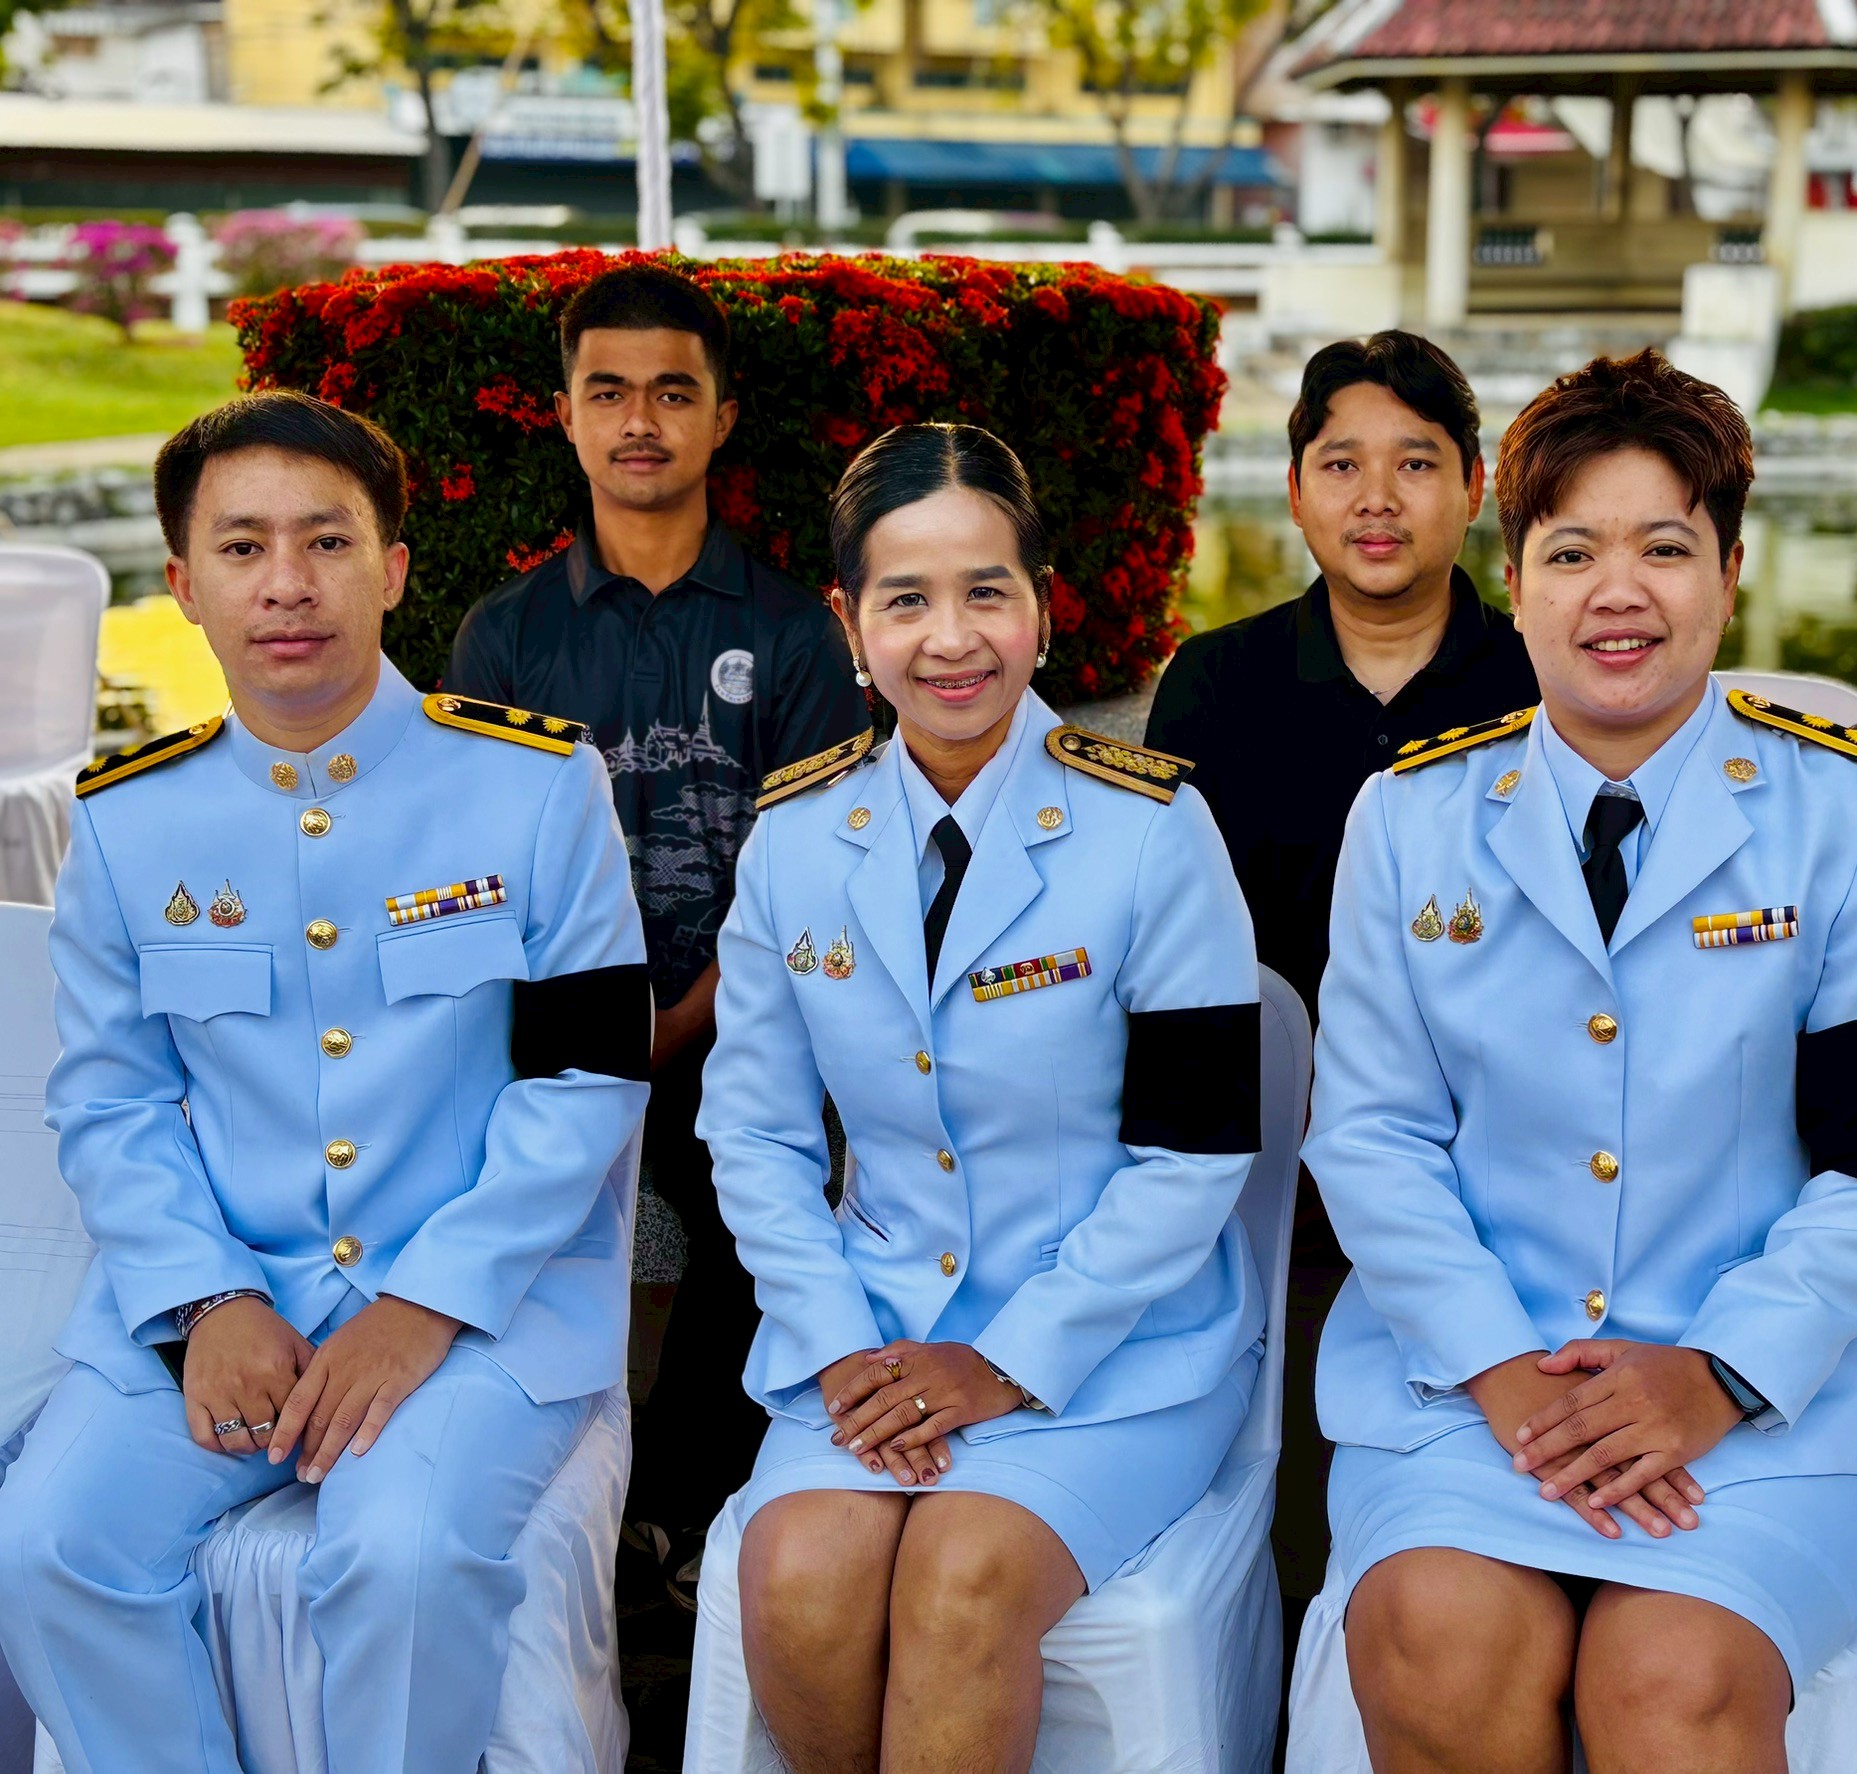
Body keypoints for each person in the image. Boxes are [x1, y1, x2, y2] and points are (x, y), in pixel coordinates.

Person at [1304, 349, 1857, 1773]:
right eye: (1573, 552)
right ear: (1514, 581)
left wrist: (1717, 1375)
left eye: (1665, 548)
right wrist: (1502, 1370)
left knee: (1669, 1676)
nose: (1619, 592)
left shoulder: (1856, 812)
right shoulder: (1409, 817)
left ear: (1731, 573)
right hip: (1471, 1387)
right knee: (1435, 1637)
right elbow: (1370, 1137)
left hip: (1773, 1397)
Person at [0, 392, 650, 1773]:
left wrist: (426, 1304)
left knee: (401, 1560)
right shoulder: (127, 822)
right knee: (49, 1545)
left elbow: (586, 1079)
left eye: (327, 541)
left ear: (394, 567)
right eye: (241, 547)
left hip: (480, 1309)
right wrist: (208, 1298)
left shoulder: (538, 788)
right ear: (183, 584)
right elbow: (110, 1101)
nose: (286, 583)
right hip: (229, 1298)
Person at [703, 422, 1265, 1769]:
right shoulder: (795, 839)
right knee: (798, 1575)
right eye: (906, 599)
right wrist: (840, 1343)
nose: (951, 639)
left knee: (961, 1579)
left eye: (986, 593)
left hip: (1112, 1350)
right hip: (872, 1338)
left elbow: (1194, 1151)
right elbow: (755, 1133)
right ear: (850, 622)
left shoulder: (1153, 828)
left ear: (1044, 609)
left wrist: (1009, 1360)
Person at [444, 262, 868, 1593]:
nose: (641, 420)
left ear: (720, 418)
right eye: (609, 391)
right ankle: (514, 1484)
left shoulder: (794, 635)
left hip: (747, 1028)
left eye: (673, 393)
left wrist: (677, 1025)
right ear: (565, 415)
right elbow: (482, 874)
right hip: (551, 1032)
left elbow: (814, 880)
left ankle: (676, 1512)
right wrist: (591, 1035)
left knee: (766, 1184)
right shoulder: (505, 637)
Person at [1142, 330, 1536, 1605]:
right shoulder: (1218, 683)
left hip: (1505, 1153)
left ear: (1474, 488)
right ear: (1296, 489)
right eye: (1342, 464)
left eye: (1415, 463)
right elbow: (1173, 944)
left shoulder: (1543, 679)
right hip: (1264, 1146)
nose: (1378, 499)